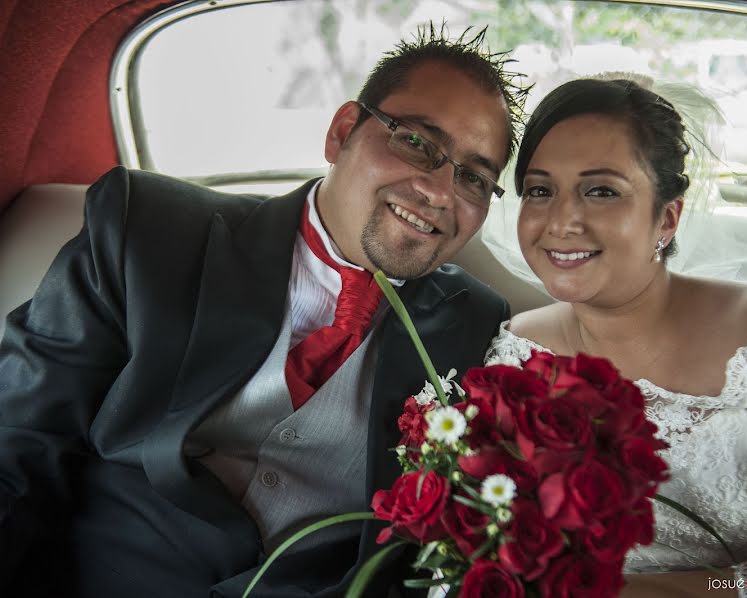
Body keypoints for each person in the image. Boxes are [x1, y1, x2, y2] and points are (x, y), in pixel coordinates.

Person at [0, 25, 528, 598]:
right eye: (417, 142)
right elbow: (20, 444)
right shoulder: (147, 229)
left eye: (474, 177)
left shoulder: (479, 326)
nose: (440, 190)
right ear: (343, 131)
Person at [483, 76, 747, 596]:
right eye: (541, 190)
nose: (561, 220)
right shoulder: (517, 352)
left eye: (602, 191)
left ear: (667, 218)